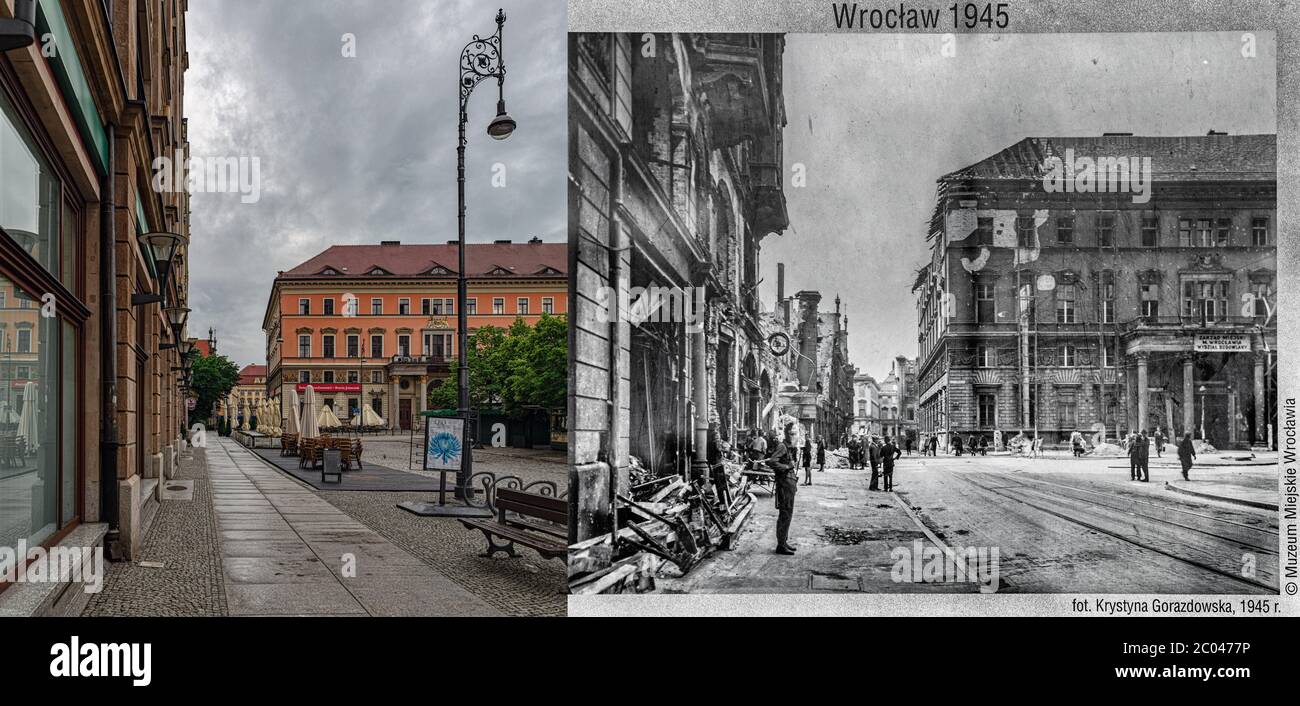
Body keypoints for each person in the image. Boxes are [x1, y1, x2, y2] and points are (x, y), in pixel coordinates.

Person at [769, 424, 798, 555]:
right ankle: (780, 545)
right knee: (784, 513)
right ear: (786, 434)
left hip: (789, 484)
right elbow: (772, 461)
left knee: (788, 513)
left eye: (795, 433)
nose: (794, 436)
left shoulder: (790, 447)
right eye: (791, 434)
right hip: (784, 484)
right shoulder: (782, 446)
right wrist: (786, 467)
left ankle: (784, 541)